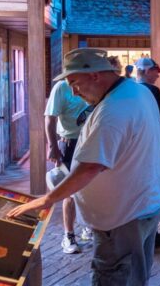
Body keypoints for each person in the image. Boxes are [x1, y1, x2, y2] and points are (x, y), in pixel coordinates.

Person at [8, 48, 160, 286]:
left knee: (113, 277)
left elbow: (89, 168)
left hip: (122, 216)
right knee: (136, 274)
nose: (73, 92)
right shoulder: (138, 91)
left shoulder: (112, 111)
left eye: (74, 82)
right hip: (145, 204)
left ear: (95, 76)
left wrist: (47, 199)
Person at [44, 76, 93, 254]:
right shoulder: (61, 88)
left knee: (92, 187)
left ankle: (87, 226)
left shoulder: (92, 83)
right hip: (70, 142)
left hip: (91, 141)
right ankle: (69, 235)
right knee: (70, 191)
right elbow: (50, 118)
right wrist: (53, 147)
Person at [133, 57, 160, 248]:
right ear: (145, 71)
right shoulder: (153, 91)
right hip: (151, 148)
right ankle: (151, 234)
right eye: (154, 71)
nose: (157, 75)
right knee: (153, 188)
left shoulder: (129, 90)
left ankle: (141, 233)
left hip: (135, 149)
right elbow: (158, 123)